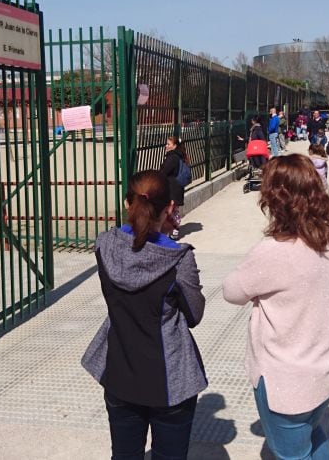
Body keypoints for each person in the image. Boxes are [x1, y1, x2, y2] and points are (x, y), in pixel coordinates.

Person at [222, 155, 329, 460]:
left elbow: (231, 291)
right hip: (328, 368)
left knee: (293, 454)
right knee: (316, 434)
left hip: (288, 384)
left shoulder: (273, 252)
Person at [81, 170, 206, 460]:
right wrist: (167, 236)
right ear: (170, 208)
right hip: (170, 380)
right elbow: (194, 314)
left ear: (128, 203)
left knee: (124, 455)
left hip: (119, 371)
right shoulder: (178, 258)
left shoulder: (105, 244)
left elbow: (135, 246)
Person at [160, 136, 189, 239]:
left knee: (169, 211)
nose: (166, 146)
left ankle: (173, 230)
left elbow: (164, 171)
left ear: (175, 146)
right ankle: (174, 230)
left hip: (171, 188)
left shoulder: (172, 157)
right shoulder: (180, 156)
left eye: (168, 144)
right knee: (174, 210)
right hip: (177, 187)